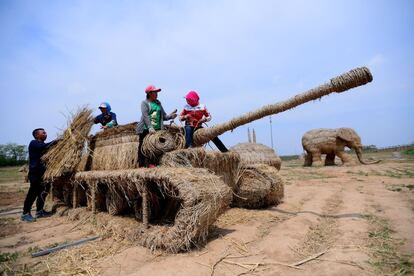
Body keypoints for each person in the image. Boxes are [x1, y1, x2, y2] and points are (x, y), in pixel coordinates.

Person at [21, 128, 58, 222]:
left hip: (43, 174)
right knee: (32, 193)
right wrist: (57, 141)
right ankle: (25, 214)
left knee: (43, 192)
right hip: (35, 173)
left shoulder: (42, 144)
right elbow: (44, 147)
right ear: (37, 135)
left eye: (46, 132)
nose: (46, 134)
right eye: (43, 133)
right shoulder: (34, 143)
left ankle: (39, 211)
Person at [137, 85, 177, 167]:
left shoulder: (158, 104)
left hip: (158, 129)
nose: (156, 94)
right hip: (146, 128)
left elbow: (164, 116)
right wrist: (150, 127)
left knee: (156, 147)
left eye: (157, 92)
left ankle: (153, 164)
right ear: (149, 93)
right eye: (155, 92)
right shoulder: (144, 103)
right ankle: (142, 165)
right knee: (143, 147)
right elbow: (145, 116)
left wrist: (170, 116)